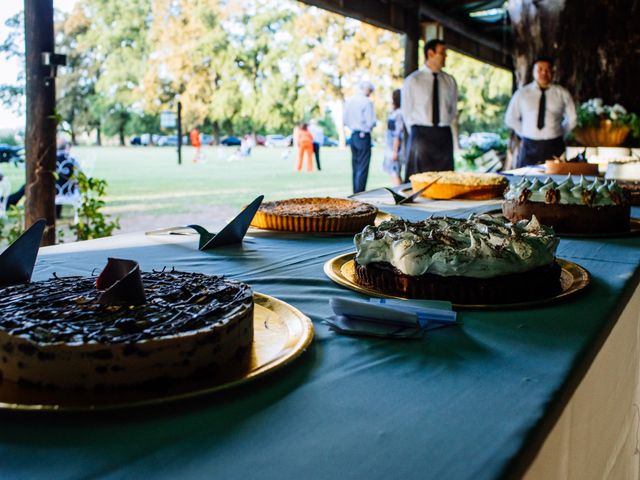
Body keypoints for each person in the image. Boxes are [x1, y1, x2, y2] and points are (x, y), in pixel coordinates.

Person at [505, 56, 577, 168]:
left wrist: (559, 131)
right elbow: (510, 118)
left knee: (557, 181)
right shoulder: (522, 93)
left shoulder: (562, 93)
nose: (544, 73)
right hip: (529, 145)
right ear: (533, 71)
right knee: (525, 180)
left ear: (553, 72)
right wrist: (525, 132)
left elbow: (572, 119)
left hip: (555, 145)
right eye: (540, 69)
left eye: (548, 69)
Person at [402, 39, 458, 181]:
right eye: (442, 53)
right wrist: (418, 134)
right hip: (420, 134)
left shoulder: (450, 81)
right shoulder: (413, 80)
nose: (445, 56)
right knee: (417, 182)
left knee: (445, 182)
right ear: (430, 53)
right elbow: (407, 112)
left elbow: (452, 110)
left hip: (444, 134)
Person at [7, 137, 79, 218]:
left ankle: (9, 201)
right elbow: (78, 177)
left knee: (29, 185)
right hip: (68, 191)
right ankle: (10, 201)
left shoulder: (51, 158)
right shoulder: (72, 160)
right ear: (67, 147)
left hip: (52, 190)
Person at [343, 81, 376, 193]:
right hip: (363, 135)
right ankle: (360, 193)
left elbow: (345, 120)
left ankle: (355, 192)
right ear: (368, 90)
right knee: (363, 167)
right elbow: (370, 121)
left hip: (353, 135)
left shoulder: (350, 101)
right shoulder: (367, 102)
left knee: (355, 166)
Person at [383, 89, 404, 185]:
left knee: (395, 173)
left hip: (395, 148)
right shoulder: (395, 112)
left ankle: (401, 197)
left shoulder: (399, 114)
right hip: (391, 147)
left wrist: (395, 151)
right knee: (394, 173)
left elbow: (397, 134)